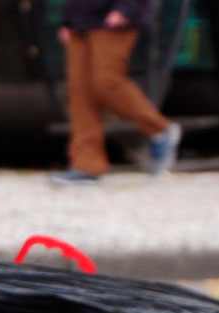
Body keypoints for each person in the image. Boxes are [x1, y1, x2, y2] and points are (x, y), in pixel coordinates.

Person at [50, 0, 182, 185]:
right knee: (79, 93)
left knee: (106, 82)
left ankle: (159, 130)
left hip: (113, 14)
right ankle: (86, 166)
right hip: (80, 19)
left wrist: (127, 8)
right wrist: (67, 20)